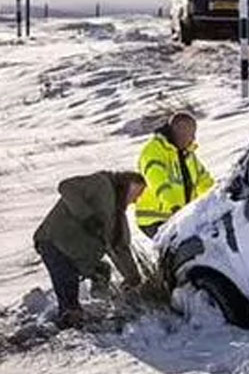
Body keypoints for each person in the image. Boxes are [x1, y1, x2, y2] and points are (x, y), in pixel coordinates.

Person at [33, 171, 146, 328]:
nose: (135, 200)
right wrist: (87, 216)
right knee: (69, 296)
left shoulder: (117, 215)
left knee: (102, 271)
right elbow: (66, 187)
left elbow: (120, 247)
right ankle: (67, 328)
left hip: (77, 255)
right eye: (136, 193)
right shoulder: (101, 184)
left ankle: (98, 305)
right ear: (127, 184)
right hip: (54, 243)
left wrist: (133, 277)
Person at [135, 112, 214, 238]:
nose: (193, 138)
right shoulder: (154, 150)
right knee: (182, 249)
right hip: (155, 217)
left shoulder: (187, 154)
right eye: (190, 134)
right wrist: (174, 206)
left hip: (179, 216)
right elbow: (159, 182)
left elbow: (203, 180)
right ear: (179, 131)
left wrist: (217, 197)